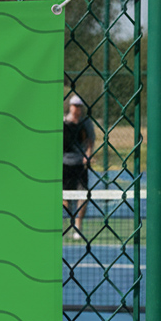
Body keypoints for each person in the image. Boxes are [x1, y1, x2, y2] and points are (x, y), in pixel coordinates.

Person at [63, 95, 95, 239]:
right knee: (65, 198)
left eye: (79, 106)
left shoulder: (86, 123)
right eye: (74, 106)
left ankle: (78, 226)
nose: (77, 109)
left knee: (83, 196)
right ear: (70, 107)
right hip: (65, 165)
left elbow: (90, 141)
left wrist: (87, 156)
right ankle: (68, 222)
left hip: (80, 166)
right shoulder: (63, 122)